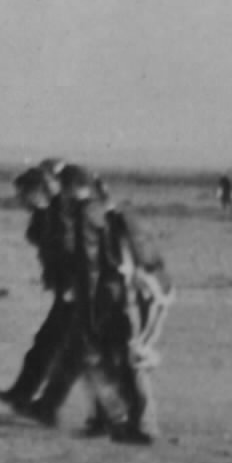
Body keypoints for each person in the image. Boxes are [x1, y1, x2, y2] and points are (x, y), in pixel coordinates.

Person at [76, 185, 170, 444]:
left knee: (129, 363)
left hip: (130, 303)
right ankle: (116, 420)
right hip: (129, 301)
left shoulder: (115, 229)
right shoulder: (117, 224)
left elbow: (125, 272)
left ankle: (140, 425)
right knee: (112, 362)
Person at [0, 161, 87, 422]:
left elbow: (73, 249)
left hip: (78, 292)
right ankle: (26, 395)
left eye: (24, 193)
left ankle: (44, 405)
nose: (20, 200)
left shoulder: (62, 213)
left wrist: (71, 285)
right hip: (68, 291)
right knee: (48, 345)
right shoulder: (47, 214)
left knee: (69, 353)